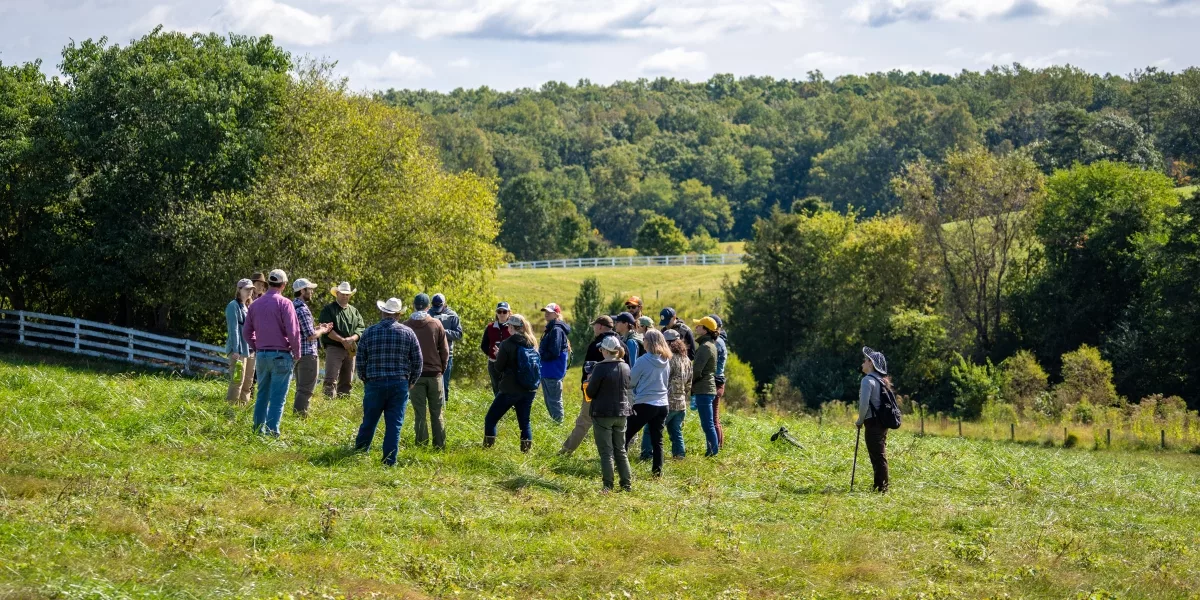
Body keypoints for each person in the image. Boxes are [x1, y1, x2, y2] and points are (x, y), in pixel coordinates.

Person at [354, 298, 423, 466]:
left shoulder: (369, 332)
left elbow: (361, 360)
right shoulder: (408, 333)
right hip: (399, 384)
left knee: (369, 420)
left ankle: (360, 454)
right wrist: (411, 382)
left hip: (374, 382)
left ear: (382, 312)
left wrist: (366, 379)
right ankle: (389, 461)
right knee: (394, 425)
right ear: (398, 314)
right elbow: (418, 361)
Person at [242, 269, 301, 436]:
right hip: (280, 354)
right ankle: (272, 432)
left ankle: (257, 430)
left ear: (269, 283)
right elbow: (293, 332)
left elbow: (246, 332)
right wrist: (297, 353)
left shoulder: (255, 305)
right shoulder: (285, 303)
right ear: (283, 285)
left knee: (262, 395)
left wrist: (257, 346)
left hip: (261, 355)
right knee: (277, 399)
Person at [560, 315, 620, 456]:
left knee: (583, 421)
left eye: (594, 325)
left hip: (594, 391)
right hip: (617, 394)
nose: (593, 328)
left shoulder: (597, 345)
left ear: (599, 326)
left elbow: (589, 370)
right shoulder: (621, 344)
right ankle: (615, 455)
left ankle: (566, 451)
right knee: (613, 426)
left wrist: (585, 388)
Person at [586, 335, 634, 492]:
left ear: (605, 351)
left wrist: (589, 379)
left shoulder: (600, 368)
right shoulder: (625, 366)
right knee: (620, 450)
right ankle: (626, 485)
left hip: (603, 413)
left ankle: (608, 486)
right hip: (622, 413)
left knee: (606, 452)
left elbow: (591, 392)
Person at [484, 314, 538, 452]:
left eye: (508, 325)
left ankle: (487, 450)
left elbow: (498, 368)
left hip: (510, 389)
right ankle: (525, 453)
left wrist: (498, 355)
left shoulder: (507, 344)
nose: (507, 327)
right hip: (529, 389)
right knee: (524, 423)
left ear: (512, 327)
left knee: (490, 419)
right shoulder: (532, 342)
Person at [404, 293, 450, 449]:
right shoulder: (436, 324)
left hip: (415, 376)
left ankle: (422, 445)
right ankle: (439, 445)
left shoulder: (406, 325)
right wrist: (441, 369)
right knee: (437, 413)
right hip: (434, 374)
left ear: (413, 305)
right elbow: (445, 350)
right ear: (428, 307)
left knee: (420, 414)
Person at [624, 329, 671, 477]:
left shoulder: (643, 360)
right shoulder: (666, 360)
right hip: (663, 404)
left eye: (644, 339)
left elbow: (631, 382)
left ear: (649, 342)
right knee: (658, 441)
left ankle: (619, 467)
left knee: (625, 435)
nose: (642, 341)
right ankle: (657, 473)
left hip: (645, 403)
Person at [292, 278, 333, 417]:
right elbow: (310, 335)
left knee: (300, 388)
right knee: (306, 390)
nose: (312, 292)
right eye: (309, 289)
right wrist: (323, 331)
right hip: (307, 354)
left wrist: (319, 328)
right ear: (302, 291)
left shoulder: (293, 306)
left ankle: (298, 416)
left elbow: (302, 331)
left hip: (298, 353)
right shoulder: (302, 309)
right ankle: (300, 418)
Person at [856, 346, 893, 493]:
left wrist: (859, 421)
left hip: (872, 423)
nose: (863, 363)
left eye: (865, 360)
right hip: (882, 423)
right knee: (879, 454)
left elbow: (864, 405)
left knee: (877, 456)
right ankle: (880, 486)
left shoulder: (867, 381)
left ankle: (881, 488)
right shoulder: (881, 380)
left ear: (871, 363)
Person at [320, 282, 365, 398]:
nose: (345, 296)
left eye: (347, 294)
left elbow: (361, 328)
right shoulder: (329, 309)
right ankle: (327, 405)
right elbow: (326, 329)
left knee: (347, 380)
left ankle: (343, 404)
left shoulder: (354, 311)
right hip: (334, 347)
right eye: (342, 294)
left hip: (351, 348)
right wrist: (342, 340)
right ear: (337, 294)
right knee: (331, 379)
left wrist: (351, 338)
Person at [690, 316, 720, 456]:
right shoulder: (711, 345)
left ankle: (713, 452)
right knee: (709, 423)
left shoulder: (705, 347)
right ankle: (712, 451)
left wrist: (690, 383)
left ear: (705, 329)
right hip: (708, 388)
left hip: (704, 388)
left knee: (707, 424)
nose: (696, 327)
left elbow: (697, 370)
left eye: (699, 326)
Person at [538, 303, 571, 424]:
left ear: (557, 314)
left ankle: (559, 425)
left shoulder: (556, 329)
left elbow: (554, 352)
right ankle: (556, 423)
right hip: (548, 370)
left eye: (549, 311)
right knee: (549, 400)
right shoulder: (552, 328)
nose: (546, 313)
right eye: (545, 311)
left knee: (554, 400)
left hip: (553, 370)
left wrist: (539, 355)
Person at [225, 278, 256, 404]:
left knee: (248, 382)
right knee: (237, 381)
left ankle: (242, 409)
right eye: (247, 289)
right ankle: (230, 410)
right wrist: (236, 351)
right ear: (239, 290)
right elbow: (234, 329)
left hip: (250, 351)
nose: (250, 292)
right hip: (239, 351)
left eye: (251, 289)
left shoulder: (249, 306)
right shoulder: (233, 306)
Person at [429, 293, 463, 403]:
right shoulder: (428, 314)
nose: (437, 309)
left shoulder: (452, 315)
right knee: (430, 382)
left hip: (447, 354)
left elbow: (459, 334)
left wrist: (443, 331)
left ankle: (445, 406)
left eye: (439, 306)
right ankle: (431, 405)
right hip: (430, 354)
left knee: (444, 382)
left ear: (445, 304)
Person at [663, 329, 692, 458]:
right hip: (681, 403)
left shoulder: (668, 360)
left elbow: (663, 380)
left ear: (669, 343)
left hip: (668, 402)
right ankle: (679, 455)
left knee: (651, 429)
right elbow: (689, 383)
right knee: (676, 431)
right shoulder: (687, 360)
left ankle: (647, 455)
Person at [481, 302, 513, 397]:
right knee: (496, 387)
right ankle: (499, 409)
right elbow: (484, 345)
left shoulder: (513, 327)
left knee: (509, 387)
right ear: (496, 313)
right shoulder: (490, 327)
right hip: (493, 362)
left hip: (509, 363)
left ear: (509, 313)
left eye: (504, 311)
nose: (502, 314)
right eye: (499, 311)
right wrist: (491, 353)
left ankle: (511, 408)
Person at [709, 314, 728, 448]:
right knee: (714, 416)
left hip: (715, 381)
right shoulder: (720, 341)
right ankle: (717, 445)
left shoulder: (717, 342)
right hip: (718, 380)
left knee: (713, 418)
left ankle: (717, 446)